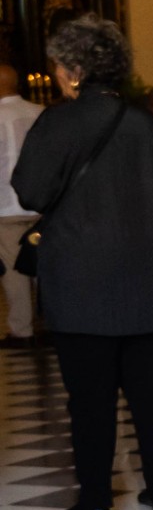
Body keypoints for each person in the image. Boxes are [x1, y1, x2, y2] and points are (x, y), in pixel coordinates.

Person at [11, 20, 153, 510]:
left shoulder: (58, 123)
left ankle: (94, 499)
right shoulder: (150, 127)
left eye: (59, 68)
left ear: (74, 71)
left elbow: (30, 192)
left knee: (90, 398)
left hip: (82, 281)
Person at [0, 61, 45, 344]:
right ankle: (53, 322)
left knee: (13, 269)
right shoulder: (40, 113)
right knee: (45, 265)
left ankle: (22, 329)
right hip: (41, 204)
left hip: (5, 207)